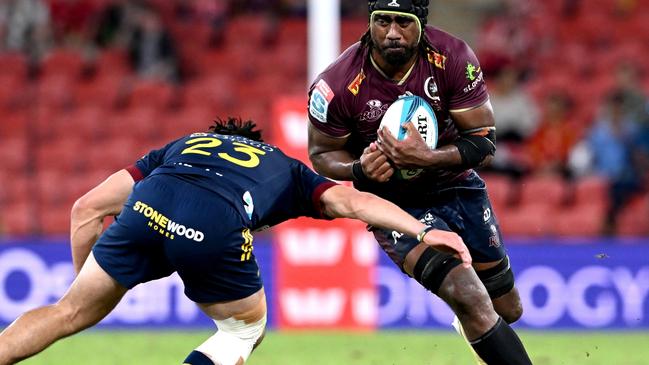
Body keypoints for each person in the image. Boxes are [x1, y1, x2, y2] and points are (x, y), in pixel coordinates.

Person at [0, 117, 471, 365]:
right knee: (243, 330)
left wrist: (85, 285)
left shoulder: (183, 144)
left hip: (150, 203)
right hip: (215, 222)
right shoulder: (287, 170)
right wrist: (424, 230)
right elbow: (354, 203)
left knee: (66, 312)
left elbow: (86, 208)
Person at [306, 1, 531, 364]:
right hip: (395, 206)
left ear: (421, 24)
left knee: (508, 308)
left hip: (457, 185)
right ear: (370, 23)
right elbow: (321, 155)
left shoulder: (454, 58)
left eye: (402, 22)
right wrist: (359, 171)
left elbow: (483, 141)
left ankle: (471, 323)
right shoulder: (336, 83)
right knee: (468, 295)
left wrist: (428, 158)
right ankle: (471, 313)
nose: (392, 32)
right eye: (382, 21)